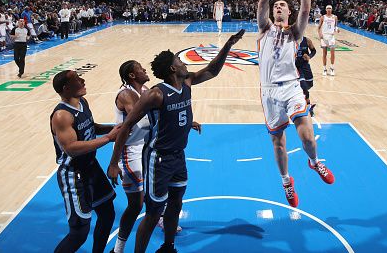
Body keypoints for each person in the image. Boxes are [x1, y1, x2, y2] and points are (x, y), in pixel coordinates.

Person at [108, 29, 245, 253]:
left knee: (175, 205)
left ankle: (168, 246)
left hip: (178, 156)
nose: (183, 63)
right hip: (158, 159)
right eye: (179, 61)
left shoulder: (188, 83)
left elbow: (212, 70)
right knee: (153, 213)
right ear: (173, 69)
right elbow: (127, 126)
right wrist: (114, 163)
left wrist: (228, 44)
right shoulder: (155, 94)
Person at [256, 0, 334, 209]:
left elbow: (307, 8)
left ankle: (315, 162)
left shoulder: (295, 33)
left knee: (308, 138)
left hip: (291, 88)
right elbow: (262, 1)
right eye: (276, 5)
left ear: (288, 13)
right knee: (278, 142)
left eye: (282, 6)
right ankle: (286, 181)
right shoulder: (264, 29)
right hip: (268, 93)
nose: (277, 6)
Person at [110, 60, 181, 253]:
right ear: (132, 75)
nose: (145, 70)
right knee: (135, 205)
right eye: (140, 69)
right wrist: (114, 162)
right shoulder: (126, 94)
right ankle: (118, 249)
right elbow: (142, 119)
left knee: (158, 189)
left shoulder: (145, 90)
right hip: (130, 150)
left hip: (146, 147)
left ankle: (158, 215)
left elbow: (160, 116)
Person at [50, 70, 121, 253]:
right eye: (77, 79)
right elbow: (71, 147)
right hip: (74, 174)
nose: (82, 80)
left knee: (107, 215)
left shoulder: (82, 103)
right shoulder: (61, 115)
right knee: (79, 232)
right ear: (66, 88)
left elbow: (92, 126)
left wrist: (113, 129)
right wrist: (108, 138)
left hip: (91, 167)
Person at [295, 36, 317, 115]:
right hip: (296, 67)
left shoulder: (307, 40)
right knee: (304, 88)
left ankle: (301, 99)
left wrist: (309, 56)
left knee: (309, 85)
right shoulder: (290, 41)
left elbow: (314, 51)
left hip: (305, 65)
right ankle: (308, 107)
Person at [318, 5, 339, 76]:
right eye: (327, 8)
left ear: (332, 9)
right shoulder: (323, 17)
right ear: (326, 9)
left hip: (331, 36)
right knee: (324, 54)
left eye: (330, 8)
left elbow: (336, 26)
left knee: (332, 52)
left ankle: (332, 68)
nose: (329, 9)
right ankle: (324, 69)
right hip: (324, 36)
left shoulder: (335, 17)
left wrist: (337, 29)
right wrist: (320, 34)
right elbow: (319, 27)